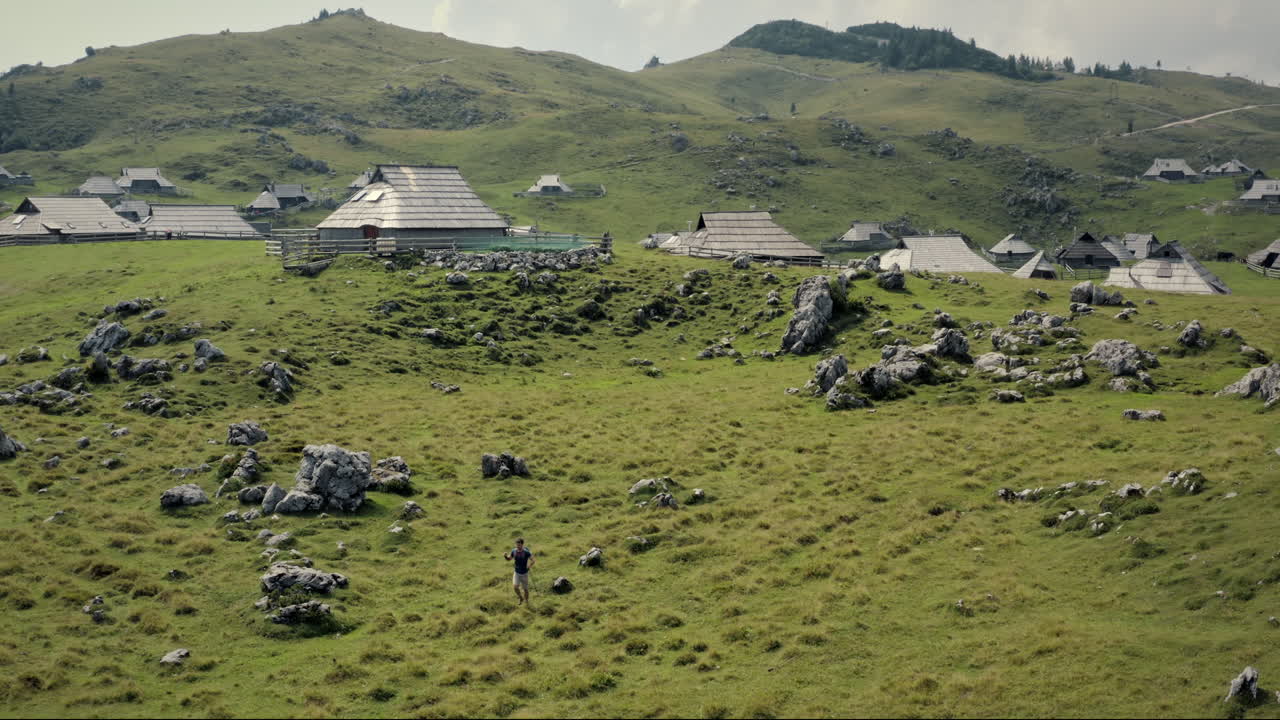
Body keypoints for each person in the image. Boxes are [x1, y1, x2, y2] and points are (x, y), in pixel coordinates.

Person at [504, 537, 535, 605]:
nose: (518, 546)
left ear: (522, 544)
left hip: (524, 573)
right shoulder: (514, 551)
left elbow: (533, 560)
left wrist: (529, 566)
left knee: (525, 589)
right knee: (515, 587)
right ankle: (521, 598)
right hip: (517, 572)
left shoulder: (526, 552)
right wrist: (505, 556)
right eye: (517, 545)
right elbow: (509, 559)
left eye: (519, 545)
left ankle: (526, 601)